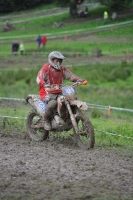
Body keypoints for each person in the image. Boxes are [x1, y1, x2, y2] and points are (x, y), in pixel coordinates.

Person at [36, 51, 87, 130]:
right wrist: (44, 84)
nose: (59, 62)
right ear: (52, 60)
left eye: (60, 61)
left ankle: (65, 117)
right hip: (47, 91)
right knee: (53, 103)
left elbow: (70, 76)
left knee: (69, 98)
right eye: (57, 61)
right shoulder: (46, 67)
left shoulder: (62, 69)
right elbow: (39, 78)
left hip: (59, 91)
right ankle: (46, 120)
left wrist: (79, 80)